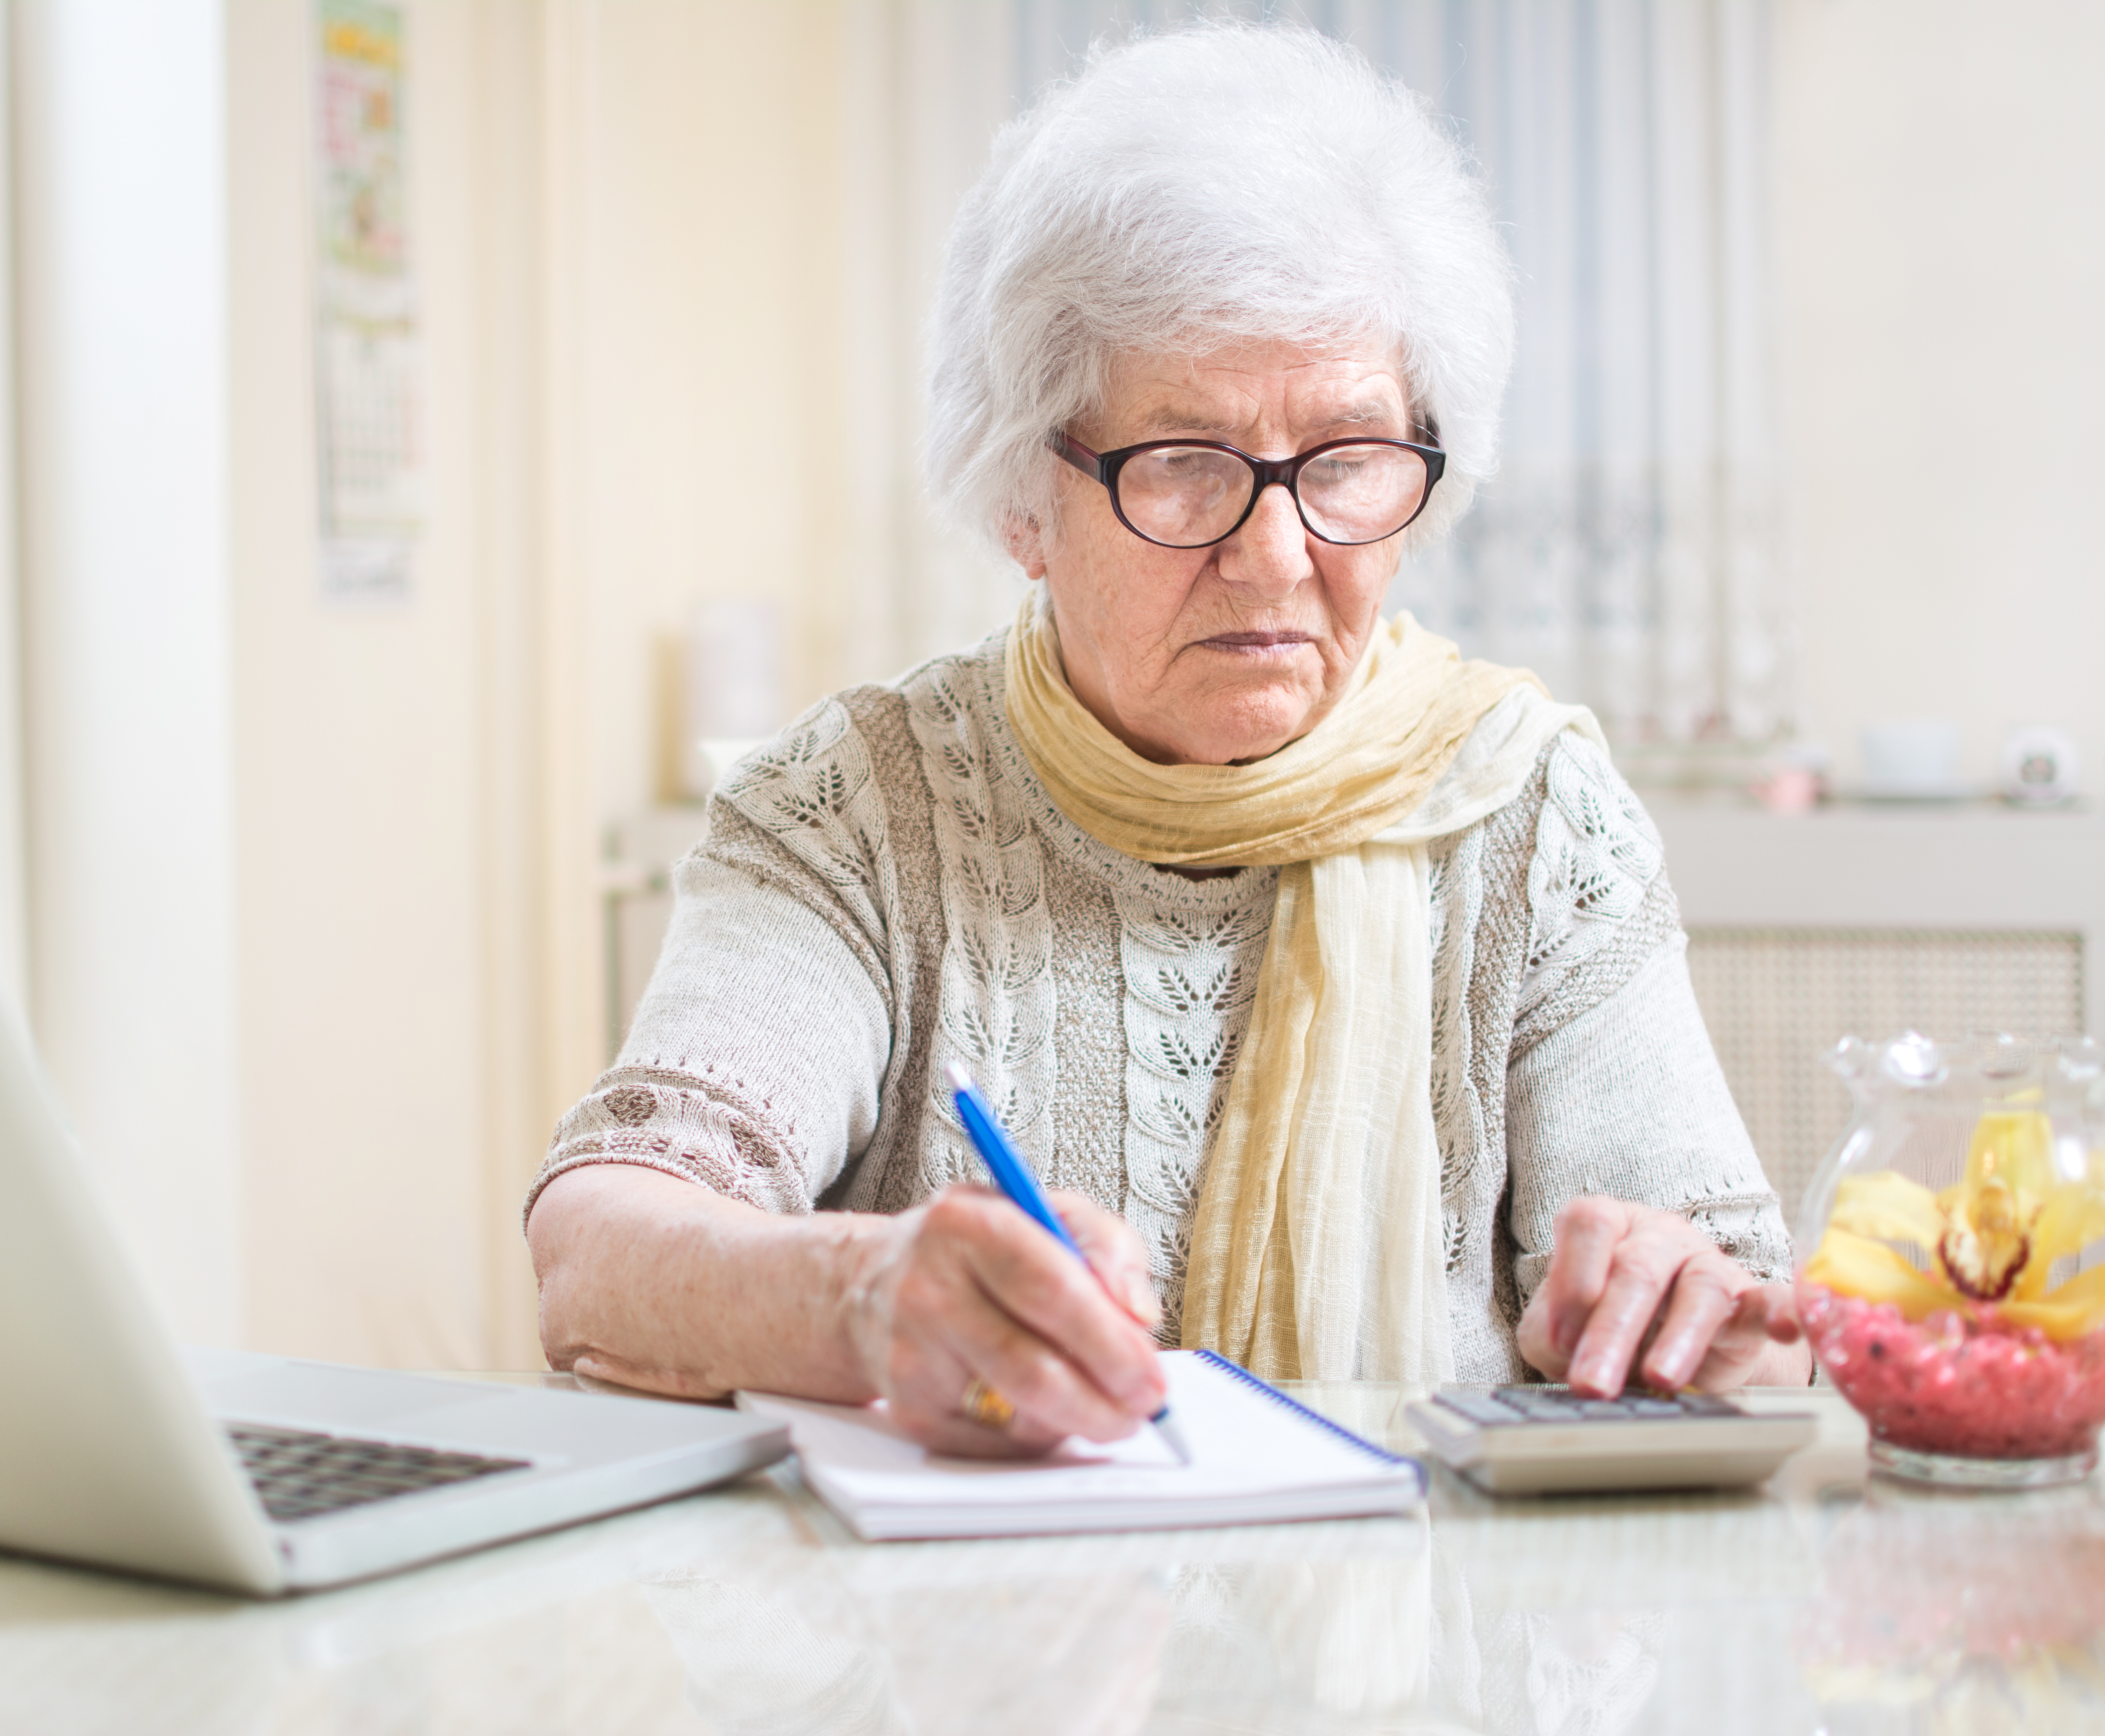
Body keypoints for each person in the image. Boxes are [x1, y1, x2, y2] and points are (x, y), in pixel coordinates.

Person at [526, 23, 1808, 1457]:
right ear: (1026, 499)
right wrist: (866, 1295)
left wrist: (1678, 1310)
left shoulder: (1533, 817)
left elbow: (1747, 1321)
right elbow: (599, 1253)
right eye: (1187, 466)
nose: (1275, 555)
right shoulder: (854, 814)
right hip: (974, 1659)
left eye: (1345, 461)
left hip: (1426, 1662)